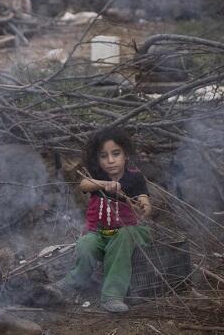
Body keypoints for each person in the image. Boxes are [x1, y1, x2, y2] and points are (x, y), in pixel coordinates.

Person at [54, 127, 152, 313]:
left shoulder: (134, 177)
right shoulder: (97, 176)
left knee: (124, 235)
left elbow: (144, 198)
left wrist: (144, 206)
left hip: (129, 233)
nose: (110, 160)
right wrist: (105, 184)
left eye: (116, 154)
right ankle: (73, 281)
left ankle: (112, 295)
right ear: (96, 159)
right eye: (103, 156)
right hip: (100, 234)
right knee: (86, 244)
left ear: (125, 155)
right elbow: (84, 184)